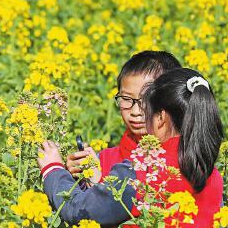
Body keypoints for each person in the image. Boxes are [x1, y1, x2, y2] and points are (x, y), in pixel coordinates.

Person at [38, 68, 224, 228]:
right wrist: (100, 182)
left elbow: (79, 208)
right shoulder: (209, 170)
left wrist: (53, 169)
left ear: (161, 117)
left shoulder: (143, 168)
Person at [66, 50, 181, 185]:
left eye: (147, 100)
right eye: (126, 99)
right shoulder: (104, 160)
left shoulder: (186, 161)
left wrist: (98, 183)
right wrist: (76, 178)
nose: (136, 111)